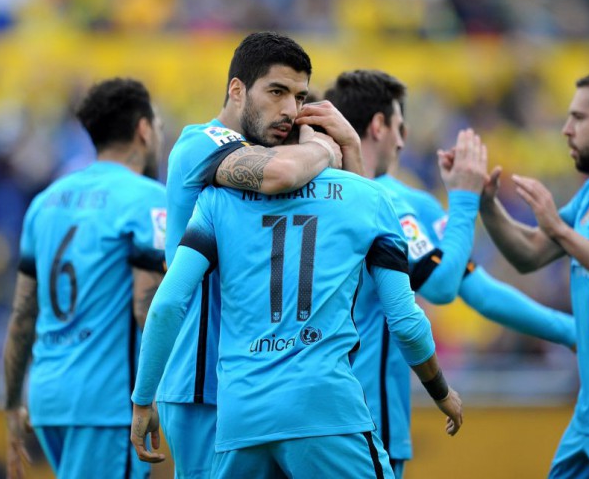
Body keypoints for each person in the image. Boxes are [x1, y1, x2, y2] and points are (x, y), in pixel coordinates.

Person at [131, 134, 464, 477]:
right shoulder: (371, 199)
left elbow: (168, 303)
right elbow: (407, 323)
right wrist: (441, 392)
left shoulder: (218, 199)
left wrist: (143, 399)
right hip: (325, 410)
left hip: (241, 418)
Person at [130, 31, 364, 478]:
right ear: (237, 90)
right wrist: (321, 147)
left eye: (299, 96)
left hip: (273, 385)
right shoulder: (202, 144)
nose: (290, 110)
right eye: (276, 92)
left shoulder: (282, 151)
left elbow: (361, 217)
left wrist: (350, 147)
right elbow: (279, 174)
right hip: (205, 385)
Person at [324, 69, 577, 477]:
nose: (403, 141)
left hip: (299, 411)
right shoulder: (394, 199)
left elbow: (478, 289)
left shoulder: (310, 191)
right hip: (365, 417)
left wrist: (570, 331)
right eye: (399, 127)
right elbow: (444, 287)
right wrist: (462, 199)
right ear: (379, 126)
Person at [479, 68, 589, 477]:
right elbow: (530, 254)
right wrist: (484, 203)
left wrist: (560, 231)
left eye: (579, 118)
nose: (566, 130)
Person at [3, 78, 167, 479]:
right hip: (106, 403)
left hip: (47, 398)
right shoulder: (148, 198)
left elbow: (23, 314)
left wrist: (11, 404)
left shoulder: (45, 202)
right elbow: (148, 309)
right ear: (143, 129)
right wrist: (161, 394)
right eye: (159, 127)